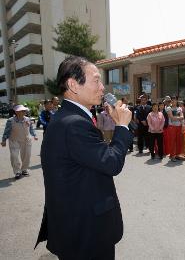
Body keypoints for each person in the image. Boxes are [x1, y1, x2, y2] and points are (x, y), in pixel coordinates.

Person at [35, 56, 133, 260]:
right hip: (87, 233)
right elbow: (111, 163)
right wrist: (122, 127)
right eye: (96, 80)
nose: (102, 87)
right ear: (73, 85)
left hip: (75, 226)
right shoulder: (73, 124)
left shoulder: (66, 119)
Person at [1, 104, 38, 179]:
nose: (24, 112)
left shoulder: (27, 119)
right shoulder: (10, 120)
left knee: (26, 155)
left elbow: (31, 128)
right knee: (14, 156)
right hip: (14, 140)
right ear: (17, 112)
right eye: (22, 111)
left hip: (26, 139)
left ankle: (24, 169)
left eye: (25, 111)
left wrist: (34, 135)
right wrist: (4, 140)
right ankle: (17, 172)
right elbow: (7, 131)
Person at [166, 96, 184, 162]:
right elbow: (171, 118)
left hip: (179, 126)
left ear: (177, 101)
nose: (173, 101)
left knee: (178, 141)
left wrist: (182, 125)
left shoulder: (179, 108)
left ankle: (177, 155)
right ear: (171, 101)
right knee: (172, 141)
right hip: (172, 127)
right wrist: (179, 117)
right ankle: (172, 155)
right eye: (172, 100)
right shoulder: (168, 108)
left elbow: (182, 117)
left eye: (175, 100)